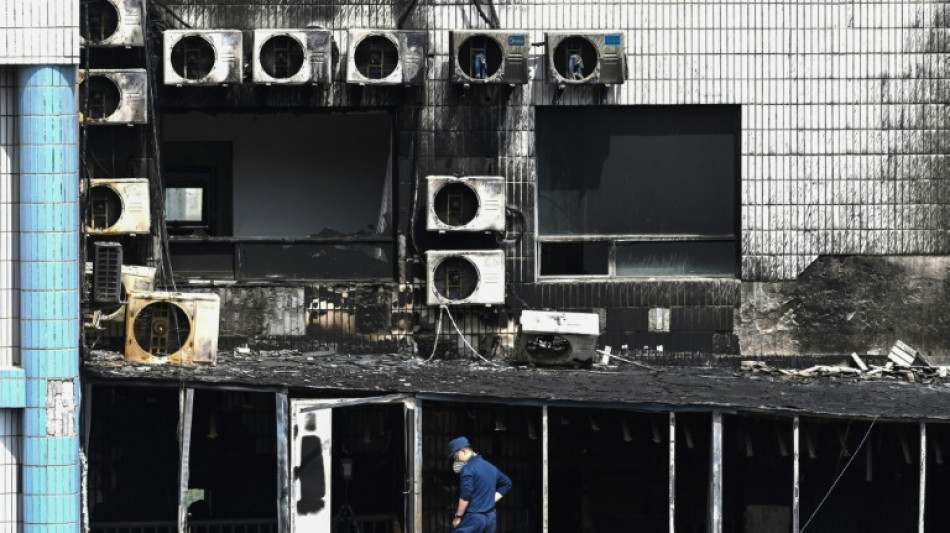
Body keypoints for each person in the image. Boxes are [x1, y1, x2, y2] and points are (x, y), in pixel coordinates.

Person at [447, 436, 512, 533]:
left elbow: (466, 494)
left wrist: (458, 516)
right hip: (490, 518)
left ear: (463, 451)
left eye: (456, 457)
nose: (457, 460)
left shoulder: (468, 468)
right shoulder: (491, 467)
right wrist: (491, 499)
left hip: (474, 518)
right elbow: (507, 483)